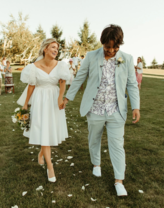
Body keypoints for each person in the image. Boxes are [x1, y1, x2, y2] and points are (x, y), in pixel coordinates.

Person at [63, 24, 140, 196]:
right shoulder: (91, 56)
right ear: (102, 43)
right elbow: (79, 78)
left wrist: (136, 106)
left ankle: (119, 180)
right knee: (94, 138)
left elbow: (132, 85)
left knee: (117, 145)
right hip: (95, 107)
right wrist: (68, 97)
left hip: (116, 109)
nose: (111, 51)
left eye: (115, 47)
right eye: (108, 47)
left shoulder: (126, 58)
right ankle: (96, 164)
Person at [20, 38, 70, 183]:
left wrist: (60, 98)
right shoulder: (33, 67)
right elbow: (31, 85)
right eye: (53, 47)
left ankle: (41, 154)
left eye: (57, 48)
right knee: (43, 128)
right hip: (40, 99)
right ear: (45, 49)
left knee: (50, 129)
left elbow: (62, 82)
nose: (56, 50)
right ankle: (50, 166)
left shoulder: (60, 65)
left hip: (54, 99)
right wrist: (25, 104)